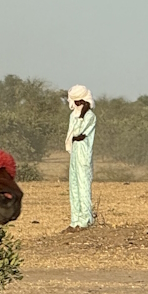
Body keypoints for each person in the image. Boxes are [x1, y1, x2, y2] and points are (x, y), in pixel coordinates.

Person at [65, 84, 96, 231]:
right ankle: (75, 220)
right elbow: (72, 136)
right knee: (74, 187)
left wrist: (83, 113)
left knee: (84, 186)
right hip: (74, 154)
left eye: (80, 102)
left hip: (83, 154)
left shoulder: (90, 116)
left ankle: (86, 220)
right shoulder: (73, 115)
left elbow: (79, 133)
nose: (77, 105)